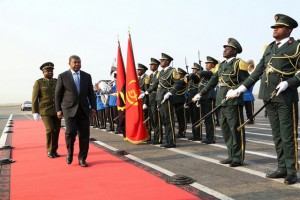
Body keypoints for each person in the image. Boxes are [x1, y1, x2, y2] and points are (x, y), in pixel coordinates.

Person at [227, 14, 299, 184]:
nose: (275, 30)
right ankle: (281, 167)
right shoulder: (269, 48)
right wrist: (241, 89)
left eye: (279, 27)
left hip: (286, 97)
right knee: (277, 135)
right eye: (274, 27)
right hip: (269, 97)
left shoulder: (296, 47)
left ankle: (291, 171)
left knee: (287, 135)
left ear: (288, 29)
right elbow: (258, 71)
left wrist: (289, 83)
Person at [195, 38, 249, 167]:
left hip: (233, 101)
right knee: (226, 130)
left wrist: (236, 90)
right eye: (224, 48)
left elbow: (247, 81)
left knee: (235, 130)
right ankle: (231, 155)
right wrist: (200, 93)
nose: (224, 50)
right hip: (221, 101)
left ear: (234, 50)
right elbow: (212, 81)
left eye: (228, 48)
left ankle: (238, 157)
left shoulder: (239, 64)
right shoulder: (221, 65)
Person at [55, 55, 96, 167]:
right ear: (69, 64)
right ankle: (70, 152)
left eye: (79, 62)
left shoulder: (86, 76)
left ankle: (82, 158)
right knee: (70, 132)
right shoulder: (63, 76)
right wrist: (58, 109)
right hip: (69, 110)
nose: (77, 64)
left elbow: (91, 93)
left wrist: (93, 107)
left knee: (84, 135)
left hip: (83, 110)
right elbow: (58, 94)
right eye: (75, 62)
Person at [139, 53, 181, 148]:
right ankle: (168, 140)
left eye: (162, 60)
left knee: (169, 120)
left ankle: (171, 141)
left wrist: (170, 92)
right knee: (164, 121)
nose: (160, 62)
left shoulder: (172, 71)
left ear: (167, 61)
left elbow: (179, 83)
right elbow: (155, 84)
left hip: (166, 98)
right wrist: (146, 93)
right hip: (159, 98)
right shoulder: (161, 72)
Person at [32, 62, 61, 158]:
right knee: (50, 129)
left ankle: (54, 150)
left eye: (51, 71)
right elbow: (35, 98)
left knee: (56, 130)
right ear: (43, 72)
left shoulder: (57, 81)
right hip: (45, 111)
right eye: (47, 71)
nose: (50, 72)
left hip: (57, 110)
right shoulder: (39, 82)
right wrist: (35, 112)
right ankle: (49, 150)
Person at [193, 56, 218, 144]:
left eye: (208, 63)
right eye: (206, 63)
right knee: (206, 119)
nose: (206, 64)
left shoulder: (212, 72)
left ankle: (211, 138)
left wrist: (198, 70)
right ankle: (208, 137)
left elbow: (202, 73)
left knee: (209, 119)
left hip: (209, 97)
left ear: (213, 65)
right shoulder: (204, 75)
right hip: (203, 98)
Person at [148, 58, 163, 144]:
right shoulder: (150, 76)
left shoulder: (159, 74)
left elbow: (155, 87)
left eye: (152, 65)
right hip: (150, 100)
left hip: (156, 99)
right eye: (150, 65)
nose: (151, 66)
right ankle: (155, 137)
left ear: (157, 66)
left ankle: (159, 138)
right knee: (153, 121)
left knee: (157, 120)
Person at [186, 63, 201, 141]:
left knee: (197, 117)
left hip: (196, 98)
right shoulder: (192, 77)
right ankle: (194, 134)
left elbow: (196, 79)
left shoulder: (198, 76)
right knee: (192, 118)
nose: (193, 70)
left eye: (195, 69)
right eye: (193, 69)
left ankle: (198, 134)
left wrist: (191, 74)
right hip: (190, 98)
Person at [137, 63, 151, 140]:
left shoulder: (146, 78)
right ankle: (142, 134)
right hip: (139, 101)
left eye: (139, 70)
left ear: (143, 70)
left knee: (146, 119)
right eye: (137, 70)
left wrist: (145, 102)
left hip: (144, 101)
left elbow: (146, 92)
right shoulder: (138, 79)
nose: (138, 71)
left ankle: (148, 135)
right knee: (141, 119)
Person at [173, 68, 188, 138]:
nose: (177, 75)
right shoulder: (177, 81)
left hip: (180, 101)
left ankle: (182, 131)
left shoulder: (182, 81)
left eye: (179, 74)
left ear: (182, 75)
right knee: (177, 117)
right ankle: (178, 131)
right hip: (175, 101)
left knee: (182, 117)